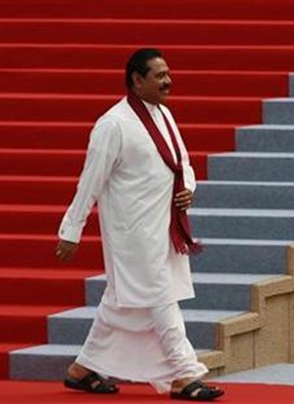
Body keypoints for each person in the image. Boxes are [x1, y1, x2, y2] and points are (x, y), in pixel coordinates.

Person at [55, 48, 224, 401]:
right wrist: (71, 231)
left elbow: (183, 164)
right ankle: (184, 374)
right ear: (136, 79)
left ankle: (82, 369)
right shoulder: (113, 124)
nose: (169, 81)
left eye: (168, 74)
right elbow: (90, 183)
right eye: (160, 75)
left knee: (120, 302)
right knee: (162, 298)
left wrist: (188, 189)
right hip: (131, 236)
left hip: (164, 229)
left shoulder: (164, 114)